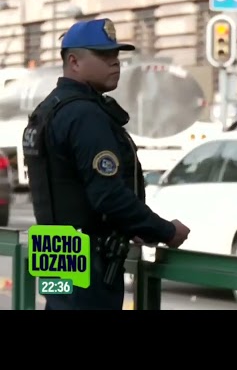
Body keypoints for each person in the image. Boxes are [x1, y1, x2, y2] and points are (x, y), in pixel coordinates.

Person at [22, 18, 191, 310]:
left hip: (55, 249)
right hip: (91, 256)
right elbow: (108, 195)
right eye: (103, 56)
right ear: (74, 61)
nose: (115, 63)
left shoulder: (49, 109)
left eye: (116, 55)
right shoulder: (84, 115)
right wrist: (165, 231)